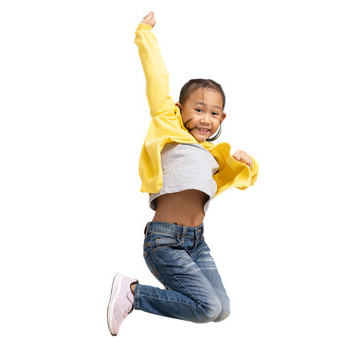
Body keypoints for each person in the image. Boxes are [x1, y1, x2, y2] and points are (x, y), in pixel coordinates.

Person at [107, 11, 259, 336]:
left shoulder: (213, 156)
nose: (206, 118)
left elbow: (240, 177)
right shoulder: (168, 125)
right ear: (179, 108)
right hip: (164, 241)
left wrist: (248, 163)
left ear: (223, 118)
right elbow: (157, 78)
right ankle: (133, 293)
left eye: (214, 113)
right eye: (199, 109)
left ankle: (137, 295)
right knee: (207, 308)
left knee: (222, 309)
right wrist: (145, 34)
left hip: (197, 243)